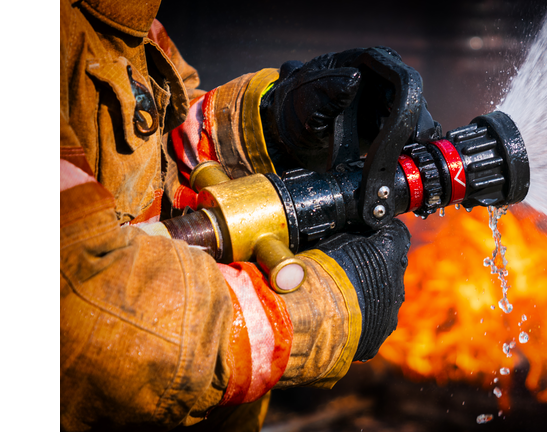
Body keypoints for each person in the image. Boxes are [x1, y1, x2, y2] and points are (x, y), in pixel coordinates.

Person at [60, 1, 413, 430]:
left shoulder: (123, 16)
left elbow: (154, 146)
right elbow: (71, 310)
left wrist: (270, 125)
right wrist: (315, 312)